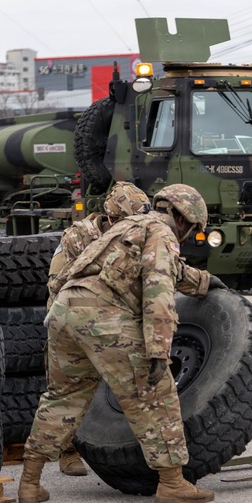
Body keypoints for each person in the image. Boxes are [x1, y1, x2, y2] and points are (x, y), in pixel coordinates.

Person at [19, 183, 224, 503]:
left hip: (65, 310)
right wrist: (158, 350)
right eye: (193, 228)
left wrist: (203, 281)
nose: (189, 235)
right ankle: (172, 483)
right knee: (155, 394)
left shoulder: (126, 227)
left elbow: (164, 269)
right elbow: (158, 290)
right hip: (103, 315)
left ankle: (30, 482)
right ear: (183, 219)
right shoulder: (162, 232)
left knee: (63, 397)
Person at [46, 181, 151, 478]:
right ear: (112, 218)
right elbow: (58, 285)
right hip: (75, 316)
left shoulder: (139, 235)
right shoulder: (78, 237)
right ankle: (67, 450)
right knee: (70, 387)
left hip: (119, 316)